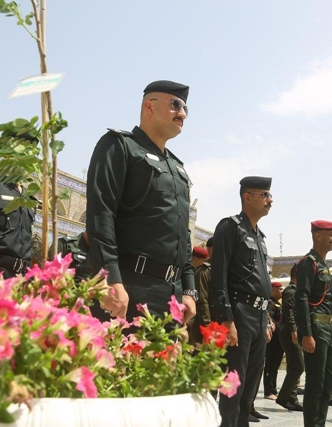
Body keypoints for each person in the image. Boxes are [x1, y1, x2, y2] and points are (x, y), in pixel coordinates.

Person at [85, 80, 196, 323]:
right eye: (175, 105)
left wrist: (189, 289)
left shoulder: (177, 168)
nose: (182, 114)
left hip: (172, 296)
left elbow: (184, 236)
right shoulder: (121, 146)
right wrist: (109, 278)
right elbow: (101, 214)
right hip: (129, 289)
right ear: (149, 106)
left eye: (185, 108)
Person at [210, 176, 273, 427]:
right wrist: (227, 320)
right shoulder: (230, 227)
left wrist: (266, 318)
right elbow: (219, 277)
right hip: (239, 314)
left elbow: (262, 283)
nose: (270, 200)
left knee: (249, 391)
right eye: (265, 195)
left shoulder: (260, 236)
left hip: (259, 317)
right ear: (248, 197)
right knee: (233, 387)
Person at [295, 220, 332, 427]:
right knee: (316, 384)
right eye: (331, 235)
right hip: (316, 329)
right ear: (318, 236)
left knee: (328, 384)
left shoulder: (323, 265)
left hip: (328, 329)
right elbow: (301, 297)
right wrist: (306, 333)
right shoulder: (308, 263)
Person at [276, 264, 304, 412]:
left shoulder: (297, 291)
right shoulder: (290, 291)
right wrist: (294, 330)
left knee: (293, 366)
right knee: (299, 366)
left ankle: (292, 399)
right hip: (289, 332)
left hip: (294, 332)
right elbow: (288, 311)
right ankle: (283, 397)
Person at [263, 281, 284, 400]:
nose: (282, 291)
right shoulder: (270, 303)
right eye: (279, 289)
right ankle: (268, 391)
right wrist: (277, 328)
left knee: (276, 365)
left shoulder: (277, 304)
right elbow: (270, 318)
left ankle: (273, 389)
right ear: (273, 290)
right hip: (273, 339)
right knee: (270, 365)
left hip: (279, 339)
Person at [190, 243, 212, 345]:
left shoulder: (202, 272)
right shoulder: (201, 272)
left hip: (202, 325)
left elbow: (203, 301)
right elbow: (202, 302)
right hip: (200, 324)